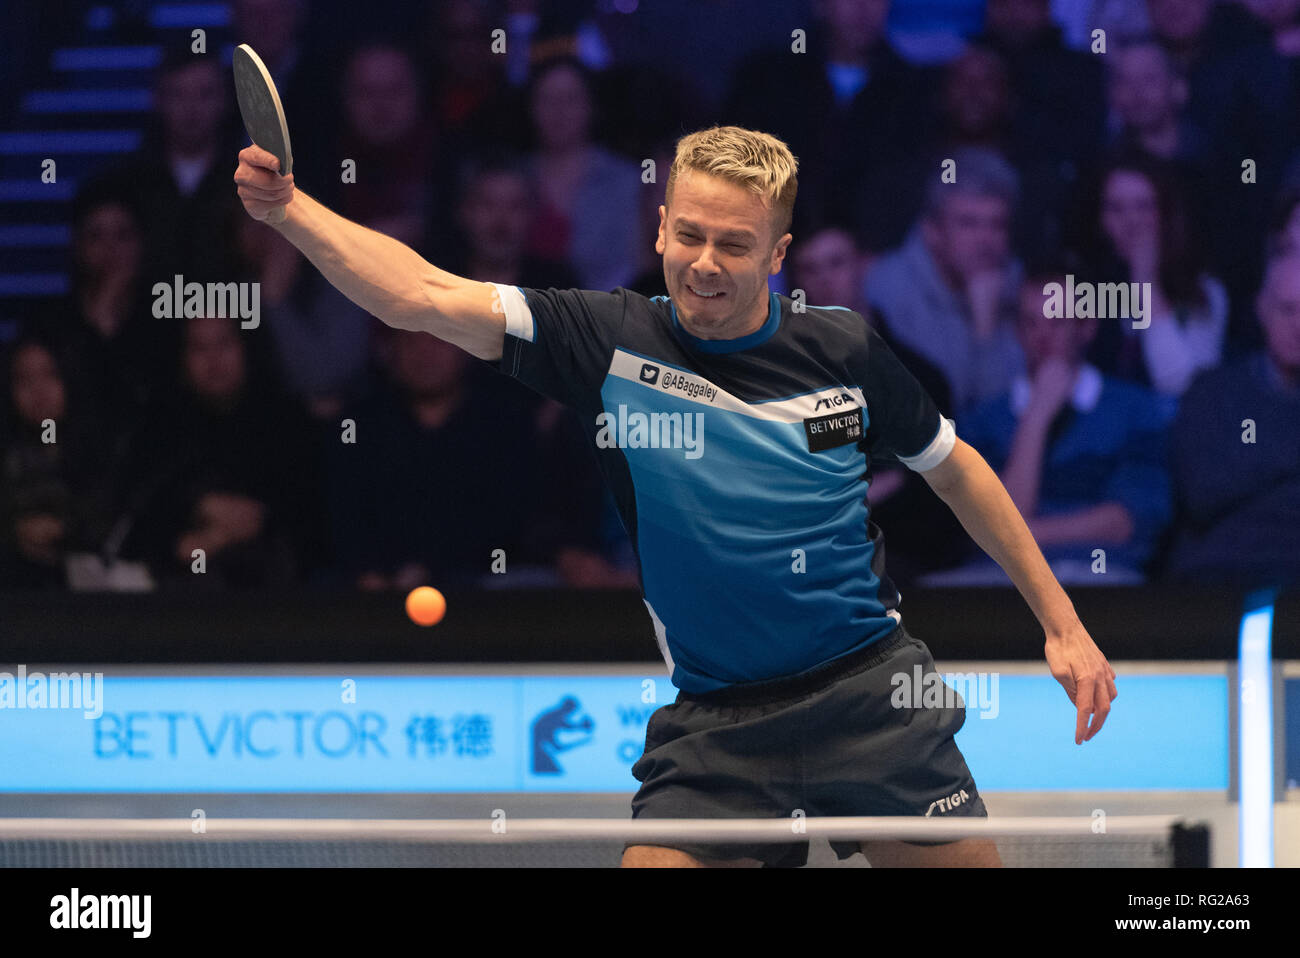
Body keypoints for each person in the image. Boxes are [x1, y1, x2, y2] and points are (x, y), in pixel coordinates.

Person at [233, 123, 1116, 869]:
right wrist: (290, 211)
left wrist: (1063, 623)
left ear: (776, 254)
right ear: (659, 230)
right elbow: (420, 295)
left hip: (873, 699)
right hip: (719, 728)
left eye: (734, 244)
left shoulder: (843, 352)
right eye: (689, 234)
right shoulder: (607, 340)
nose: (704, 263)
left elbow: (955, 467)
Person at [933, 271, 1173, 586]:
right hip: (998, 584)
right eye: (1031, 323)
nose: (1042, 336)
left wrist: (1024, 535)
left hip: (1097, 576)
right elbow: (985, 528)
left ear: (1086, 327)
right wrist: (1036, 418)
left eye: (1057, 321)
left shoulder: (1136, 411)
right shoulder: (983, 421)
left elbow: (1127, 523)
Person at [1167, 252, 1300, 587]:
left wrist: (1251, 461)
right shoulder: (1213, 391)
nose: (1299, 325)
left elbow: (1229, 476)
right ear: (1262, 311)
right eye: (1288, 309)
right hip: (1218, 576)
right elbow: (1202, 492)